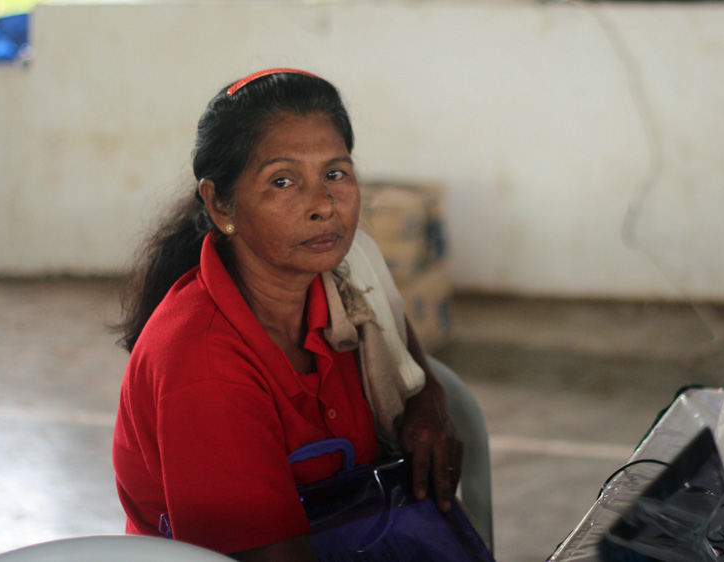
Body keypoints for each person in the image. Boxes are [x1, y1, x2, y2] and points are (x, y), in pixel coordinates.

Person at [112, 68, 463, 561]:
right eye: (283, 181)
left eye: (335, 174)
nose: (323, 205)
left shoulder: (349, 282)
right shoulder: (202, 364)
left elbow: (402, 348)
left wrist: (427, 403)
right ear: (220, 205)